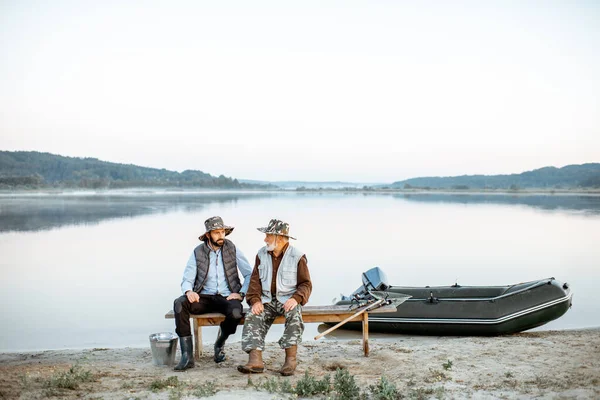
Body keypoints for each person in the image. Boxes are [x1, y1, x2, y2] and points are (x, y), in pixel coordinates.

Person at [173, 216, 252, 371]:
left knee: (236, 313)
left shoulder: (232, 248)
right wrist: (189, 291)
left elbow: (249, 274)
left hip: (228, 296)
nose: (221, 235)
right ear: (208, 235)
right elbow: (187, 277)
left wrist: (241, 293)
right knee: (179, 304)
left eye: (222, 232)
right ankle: (187, 357)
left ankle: (219, 343)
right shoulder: (198, 252)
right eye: (216, 233)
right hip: (204, 297)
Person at [237, 218, 312, 376]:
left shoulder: (298, 256)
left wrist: (296, 298)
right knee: (253, 315)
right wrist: (255, 300)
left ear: (279, 238)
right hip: (266, 300)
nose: (265, 239)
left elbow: (306, 284)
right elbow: (255, 282)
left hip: (288, 300)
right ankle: (255, 360)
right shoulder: (261, 254)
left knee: (295, 316)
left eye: (268, 236)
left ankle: (290, 361)